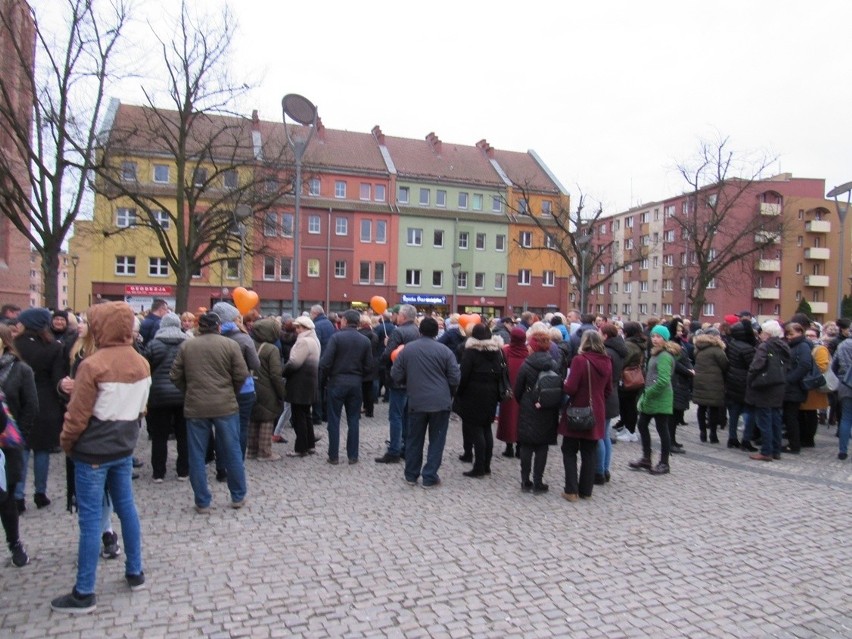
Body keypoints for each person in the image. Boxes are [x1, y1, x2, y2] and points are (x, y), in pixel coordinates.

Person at [51, 301, 151, 614]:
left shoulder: (93, 365)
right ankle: (135, 571)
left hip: (92, 451)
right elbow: (140, 411)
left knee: (91, 519)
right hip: (122, 448)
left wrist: (67, 442)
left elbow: (77, 417)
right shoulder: (141, 362)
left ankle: (84, 591)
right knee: (127, 509)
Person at [170, 312, 249, 513]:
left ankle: (202, 500)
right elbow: (241, 374)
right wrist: (232, 391)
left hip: (196, 406)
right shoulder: (230, 345)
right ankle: (238, 496)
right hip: (225, 404)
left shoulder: (187, 346)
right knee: (232, 451)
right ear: (218, 327)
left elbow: (175, 375)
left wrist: (189, 390)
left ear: (199, 327)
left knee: (196, 454)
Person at [390, 317, 460, 488]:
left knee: (414, 439)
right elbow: (455, 377)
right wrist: (449, 392)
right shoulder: (445, 351)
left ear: (420, 331)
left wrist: (407, 383)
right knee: (437, 440)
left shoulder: (407, 350)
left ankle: (411, 475)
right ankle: (429, 476)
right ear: (437, 332)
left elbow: (395, 373)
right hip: (441, 402)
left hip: (416, 401)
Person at [14, 307, 65, 511]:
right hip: (46, 401)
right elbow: (58, 378)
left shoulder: (15, 345)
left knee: (22, 449)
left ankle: (18, 495)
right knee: (42, 450)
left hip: (20, 400)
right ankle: (40, 493)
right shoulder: (53, 347)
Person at [0, 324, 37, 567]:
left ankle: (14, 543)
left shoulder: (20, 370)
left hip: (8, 444)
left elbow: (31, 406)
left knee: (6, 498)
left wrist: (17, 437)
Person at [560, 330, 612, 501]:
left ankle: (571, 489)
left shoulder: (580, 361)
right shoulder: (607, 361)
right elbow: (608, 390)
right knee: (589, 451)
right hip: (596, 409)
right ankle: (586, 490)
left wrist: (564, 384)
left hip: (578, 409)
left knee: (569, 449)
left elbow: (571, 388)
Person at [319, 310, 372, 465]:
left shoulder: (336, 338)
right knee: (353, 420)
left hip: (336, 382)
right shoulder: (364, 341)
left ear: (345, 321)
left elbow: (325, 362)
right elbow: (369, 366)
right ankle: (353, 455)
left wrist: (327, 376)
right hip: (355, 383)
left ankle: (333, 455)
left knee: (334, 420)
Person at [142, 312, 189, 481]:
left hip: (158, 395)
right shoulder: (187, 343)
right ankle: (183, 471)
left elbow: (145, 368)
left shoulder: (153, 344)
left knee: (159, 436)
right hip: (182, 394)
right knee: (183, 435)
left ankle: (158, 472)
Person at [628, 324, 680, 476]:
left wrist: (649, 392)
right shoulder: (656, 353)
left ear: (665, 339)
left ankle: (664, 462)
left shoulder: (664, 356)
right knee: (642, 424)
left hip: (660, 397)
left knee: (662, 429)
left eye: (658, 337)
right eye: (653, 336)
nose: (655, 339)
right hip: (651, 396)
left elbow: (664, 380)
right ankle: (646, 457)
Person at [514, 331, 561, 494]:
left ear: (533, 347)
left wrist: (526, 401)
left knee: (527, 445)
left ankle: (525, 480)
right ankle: (538, 481)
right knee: (542, 446)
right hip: (548, 408)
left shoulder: (526, 365)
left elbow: (517, 390)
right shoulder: (554, 364)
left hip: (529, 406)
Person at [453, 323, 503, 478]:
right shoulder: (497, 352)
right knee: (486, 428)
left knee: (476, 430)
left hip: (473, 393)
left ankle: (479, 466)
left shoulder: (471, 352)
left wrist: (458, 393)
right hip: (491, 393)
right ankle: (486, 465)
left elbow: (464, 375)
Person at [212, 302, 259, 461]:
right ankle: (238, 462)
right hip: (244, 388)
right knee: (241, 426)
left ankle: (221, 466)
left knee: (221, 428)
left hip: (219, 389)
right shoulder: (244, 338)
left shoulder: (211, 338)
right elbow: (255, 364)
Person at [375, 304, 419, 464]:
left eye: (399, 314)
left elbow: (388, 355)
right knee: (407, 416)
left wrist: (387, 346)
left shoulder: (398, 331)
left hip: (398, 379)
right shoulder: (416, 330)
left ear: (404, 316)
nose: (396, 316)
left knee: (395, 416)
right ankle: (405, 448)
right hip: (412, 379)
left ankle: (394, 450)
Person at [745, 320, 790, 461]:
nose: (760, 334)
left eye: (763, 332)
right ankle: (776, 450)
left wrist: (750, 379)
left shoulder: (765, 346)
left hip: (765, 386)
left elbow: (757, 365)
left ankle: (766, 451)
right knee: (776, 419)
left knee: (764, 420)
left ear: (768, 333)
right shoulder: (783, 345)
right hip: (779, 385)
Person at [248, 317, 287, 461]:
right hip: (267, 388)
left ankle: (251, 450)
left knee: (254, 417)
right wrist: (281, 392)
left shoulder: (249, 344)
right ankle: (264, 452)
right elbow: (276, 374)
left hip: (251, 385)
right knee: (267, 417)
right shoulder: (271, 349)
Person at [282, 316, 320, 457]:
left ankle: (301, 448)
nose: (296, 330)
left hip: (299, 384)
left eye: (298, 327)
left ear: (304, 328)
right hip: (309, 383)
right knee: (306, 415)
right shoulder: (314, 340)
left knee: (299, 417)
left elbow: (294, 362)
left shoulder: (304, 341)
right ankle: (310, 445)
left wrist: (283, 371)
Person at [596, 323, 625, 484]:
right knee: (605, 434)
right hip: (613, 394)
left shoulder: (607, 353)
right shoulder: (619, 351)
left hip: (605, 395)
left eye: (599, 332)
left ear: (605, 335)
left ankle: (599, 470)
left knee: (599, 435)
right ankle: (605, 469)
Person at [723, 318, 757, 449]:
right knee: (750, 411)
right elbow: (752, 366)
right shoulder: (748, 348)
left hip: (732, 380)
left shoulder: (731, 344)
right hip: (744, 382)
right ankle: (746, 439)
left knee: (734, 412)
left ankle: (732, 438)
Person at [691, 327, 729, 444]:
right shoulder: (717, 350)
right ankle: (713, 434)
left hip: (699, 381)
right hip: (714, 382)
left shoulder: (698, 348)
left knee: (701, 407)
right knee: (713, 408)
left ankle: (702, 432)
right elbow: (725, 365)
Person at [496, 326, 528, 458]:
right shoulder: (527, 352)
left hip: (508, 389)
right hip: (524, 391)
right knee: (521, 417)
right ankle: (520, 447)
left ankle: (509, 447)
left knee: (508, 417)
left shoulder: (505, 351)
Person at [780, 322, 812, 455]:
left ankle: (794, 445)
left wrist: (789, 379)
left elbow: (804, 365)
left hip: (795, 387)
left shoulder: (803, 346)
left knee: (791, 416)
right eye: (787, 334)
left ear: (800, 332)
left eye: (792, 334)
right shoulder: (793, 345)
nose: (789, 337)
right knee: (791, 416)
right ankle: (795, 442)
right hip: (791, 386)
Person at [615, 322, 646, 443]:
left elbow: (624, 360)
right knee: (629, 404)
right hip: (636, 376)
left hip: (628, 376)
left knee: (628, 405)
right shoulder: (639, 342)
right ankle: (628, 429)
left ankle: (630, 431)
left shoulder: (629, 344)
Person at [800, 326, 829, 448]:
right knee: (802, 413)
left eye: (812, 335)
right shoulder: (804, 347)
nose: (809, 337)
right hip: (803, 385)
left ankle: (809, 438)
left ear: (817, 336)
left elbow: (823, 367)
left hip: (813, 387)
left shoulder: (820, 349)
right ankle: (804, 437)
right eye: (807, 335)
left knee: (811, 413)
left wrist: (809, 370)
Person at [310, 305, 335, 425]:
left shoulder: (317, 325)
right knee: (326, 389)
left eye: (311, 313)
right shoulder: (330, 324)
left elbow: (316, 343)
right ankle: (326, 414)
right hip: (329, 361)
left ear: (315, 313)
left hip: (319, 361)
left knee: (318, 389)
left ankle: (317, 415)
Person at [357, 314, 380, 418]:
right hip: (372, 363)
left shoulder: (357, 335)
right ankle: (369, 411)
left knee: (358, 389)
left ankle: (357, 410)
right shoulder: (374, 335)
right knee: (369, 389)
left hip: (360, 363)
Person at [834, 333, 852, 460]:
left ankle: (843, 450)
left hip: (845, 383)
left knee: (846, 418)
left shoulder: (843, 345)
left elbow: (834, 365)